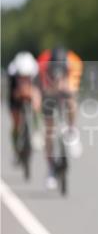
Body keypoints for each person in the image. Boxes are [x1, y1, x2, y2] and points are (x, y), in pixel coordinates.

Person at [37, 46, 84, 190]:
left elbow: (72, 89)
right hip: (48, 90)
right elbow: (43, 89)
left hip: (66, 86)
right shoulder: (43, 63)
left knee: (71, 101)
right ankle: (50, 168)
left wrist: (63, 86)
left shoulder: (75, 63)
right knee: (49, 130)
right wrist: (52, 88)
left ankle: (72, 130)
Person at [7, 51, 40, 154]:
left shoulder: (34, 70)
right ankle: (15, 145)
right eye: (21, 77)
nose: (24, 79)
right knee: (16, 121)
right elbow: (12, 94)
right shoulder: (12, 72)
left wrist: (34, 98)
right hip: (15, 93)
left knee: (36, 101)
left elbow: (36, 90)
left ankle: (36, 130)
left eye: (27, 77)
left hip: (30, 90)